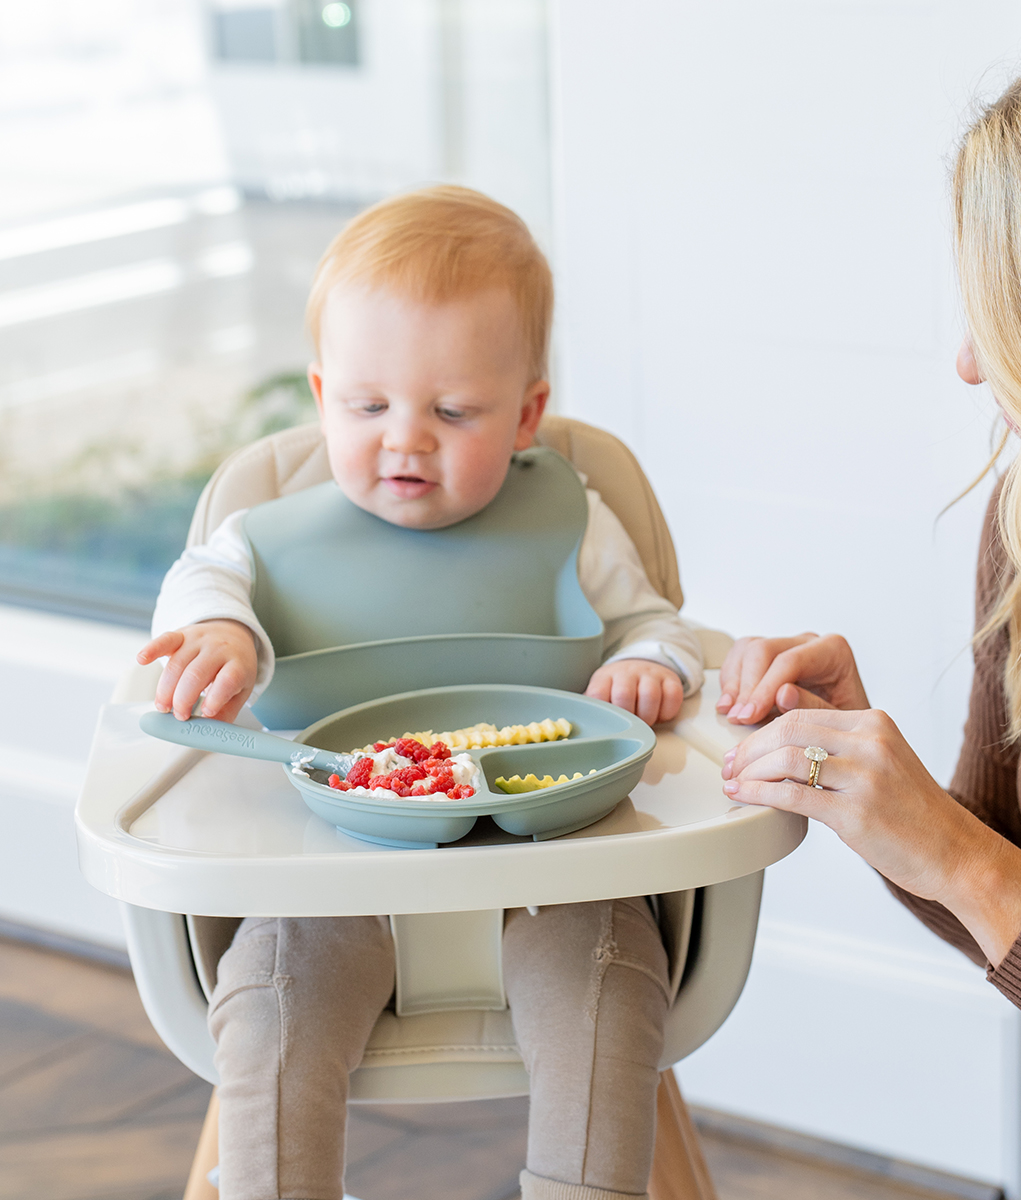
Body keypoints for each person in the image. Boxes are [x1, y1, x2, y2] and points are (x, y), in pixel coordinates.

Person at [137, 186, 704, 1200]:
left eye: (452, 412)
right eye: (366, 407)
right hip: (328, 887)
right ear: (320, 396)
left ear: (528, 412)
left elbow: (657, 623)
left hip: (553, 875)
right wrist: (220, 631)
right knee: (267, 1012)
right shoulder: (266, 538)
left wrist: (649, 664)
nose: (405, 440)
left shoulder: (571, 516)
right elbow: (202, 587)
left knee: (614, 995)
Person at [718, 26, 1021, 1199]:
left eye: (1003, 318)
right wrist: (887, 801)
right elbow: (1000, 894)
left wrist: (963, 860)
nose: (968, 364)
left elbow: (990, 885)